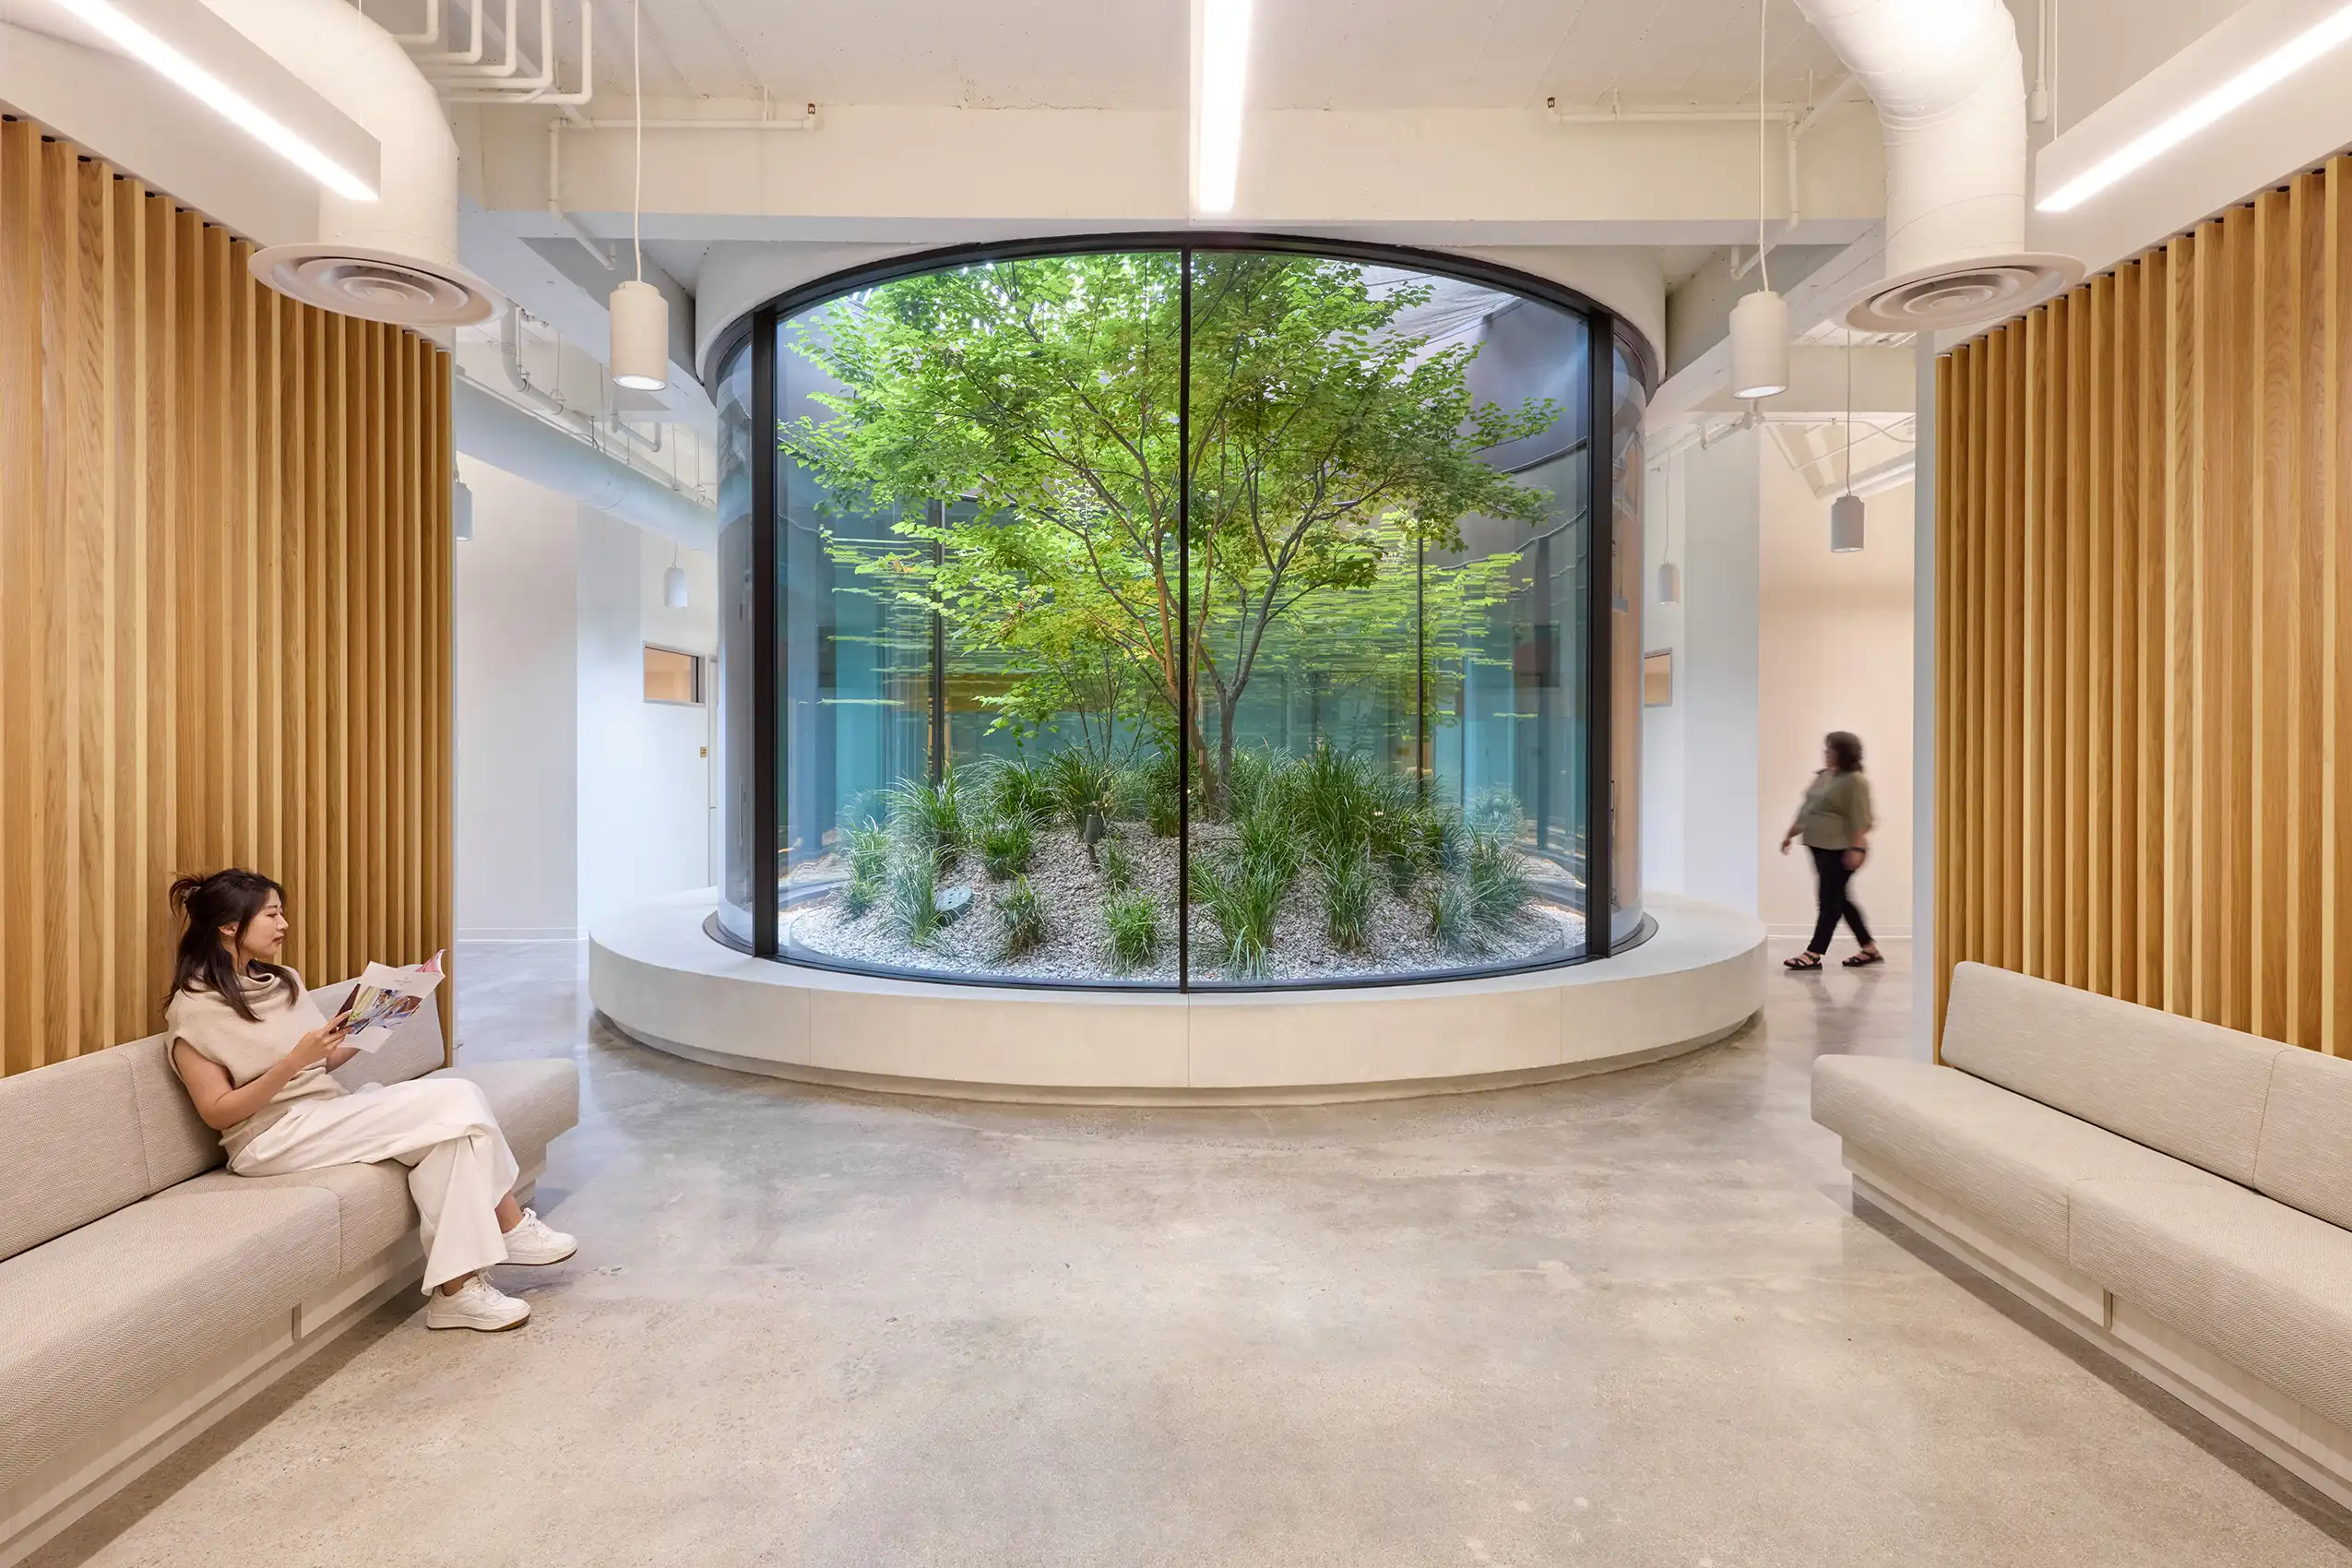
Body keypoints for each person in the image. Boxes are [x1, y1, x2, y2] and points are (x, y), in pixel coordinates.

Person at [163, 869, 576, 1332]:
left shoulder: (283, 982)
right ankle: (510, 1224)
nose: (283, 925)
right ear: (228, 926)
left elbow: (319, 1063)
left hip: (325, 1114)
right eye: (272, 914)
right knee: (458, 1094)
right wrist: (292, 1061)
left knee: (452, 1141)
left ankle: (457, 1295)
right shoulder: (194, 1008)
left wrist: (385, 1015)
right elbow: (217, 1110)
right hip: (271, 1138)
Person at [1777, 731, 1883, 972]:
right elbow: (1807, 808)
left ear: (1843, 753)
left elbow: (1862, 816)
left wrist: (1856, 846)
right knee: (1840, 899)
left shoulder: (1855, 780)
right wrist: (1790, 834)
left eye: (1831, 749)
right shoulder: (1823, 776)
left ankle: (1814, 953)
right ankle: (1869, 948)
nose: (1826, 753)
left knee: (1829, 902)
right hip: (1817, 845)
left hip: (1841, 848)